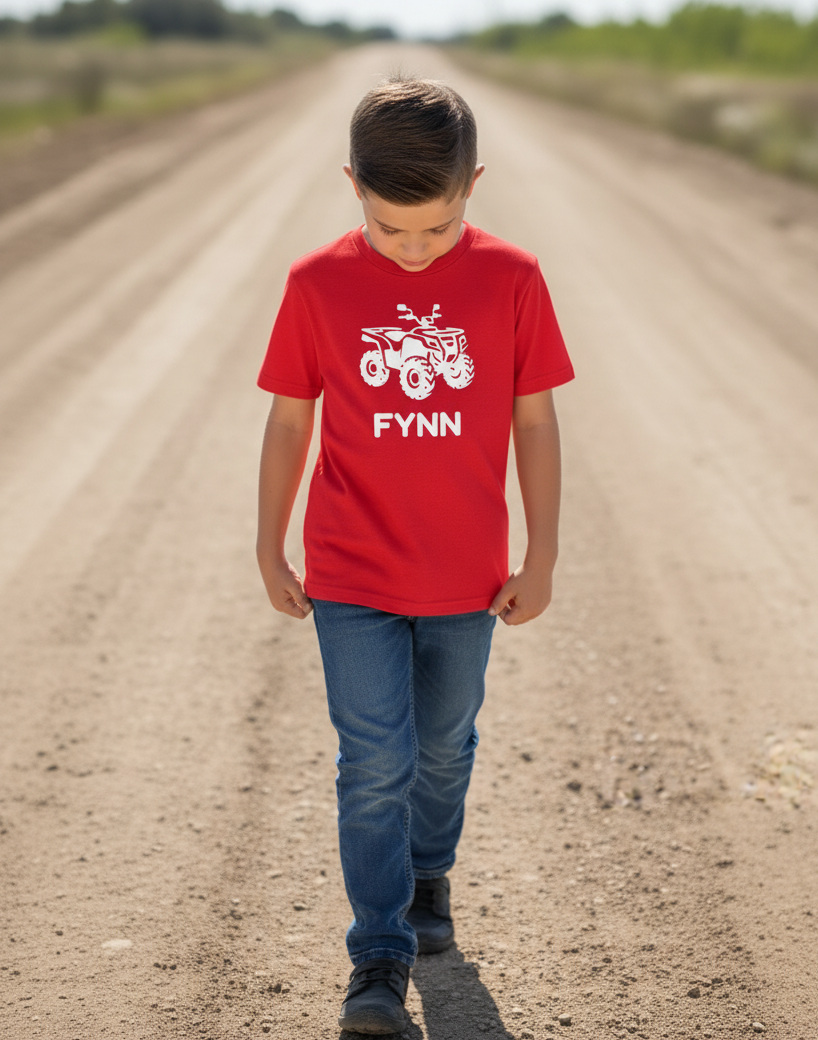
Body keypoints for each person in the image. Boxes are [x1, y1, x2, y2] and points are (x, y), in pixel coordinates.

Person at [256, 75, 574, 1035]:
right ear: (352, 184)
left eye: (435, 229)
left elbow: (535, 420)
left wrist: (543, 553)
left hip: (465, 575)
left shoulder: (512, 278)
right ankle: (379, 957)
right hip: (351, 569)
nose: (413, 250)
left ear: (471, 185)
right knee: (374, 761)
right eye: (392, 230)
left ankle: (430, 871)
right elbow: (287, 422)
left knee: (443, 747)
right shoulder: (317, 285)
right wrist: (267, 544)